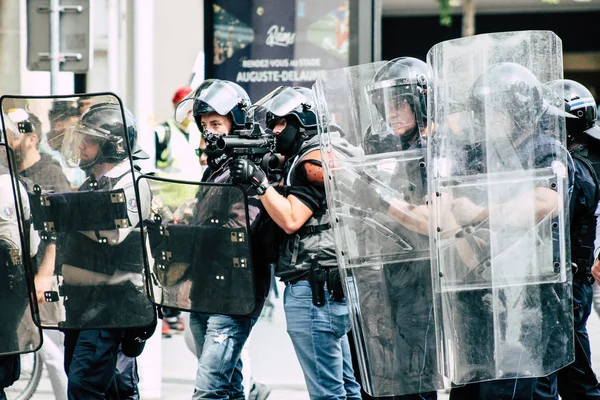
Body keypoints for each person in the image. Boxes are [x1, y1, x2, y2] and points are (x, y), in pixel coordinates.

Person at [444, 63, 574, 400]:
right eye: (483, 111)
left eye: (496, 110)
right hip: (481, 288)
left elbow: (546, 200)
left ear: (519, 109)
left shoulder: (545, 149)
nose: (487, 119)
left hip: (531, 292)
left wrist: (480, 213)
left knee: (521, 386)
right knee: (475, 387)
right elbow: (452, 200)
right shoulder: (482, 153)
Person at [232, 86, 362, 399]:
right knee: (346, 388)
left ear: (302, 122)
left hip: (314, 287)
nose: (275, 131)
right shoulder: (328, 152)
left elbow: (292, 219)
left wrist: (260, 183)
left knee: (327, 393)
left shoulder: (311, 162)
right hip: (332, 284)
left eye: (280, 123)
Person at [55, 102, 156, 399]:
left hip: (114, 304)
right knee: (108, 386)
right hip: (84, 302)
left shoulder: (132, 183)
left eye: (90, 139)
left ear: (112, 146)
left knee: (84, 383)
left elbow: (114, 231)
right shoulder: (92, 183)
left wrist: (67, 214)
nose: (82, 145)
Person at [180, 79, 271, 399]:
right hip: (206, 289)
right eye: (204, 125)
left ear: (238, 121)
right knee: (230, 387)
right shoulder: (216, 168)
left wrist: (194, 233)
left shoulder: (249, 168)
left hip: (234, 291)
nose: (210, 133)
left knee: (208, 389)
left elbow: (239, 225)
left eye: (216, 123)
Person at [540, 79, 600, 399]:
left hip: (569, 287)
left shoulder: (575, 169)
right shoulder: (570, 164)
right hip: (562, 284)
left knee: (575, 377)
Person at [154, 86, 204, 337]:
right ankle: (167, 310)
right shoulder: (162, 133)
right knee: (169, 260)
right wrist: (160, 208)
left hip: (193, 207)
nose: (188, 113)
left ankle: (177, 309)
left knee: (190, 261)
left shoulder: (200, 132)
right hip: (170, 209)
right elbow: (152, 171)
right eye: (183, 107)